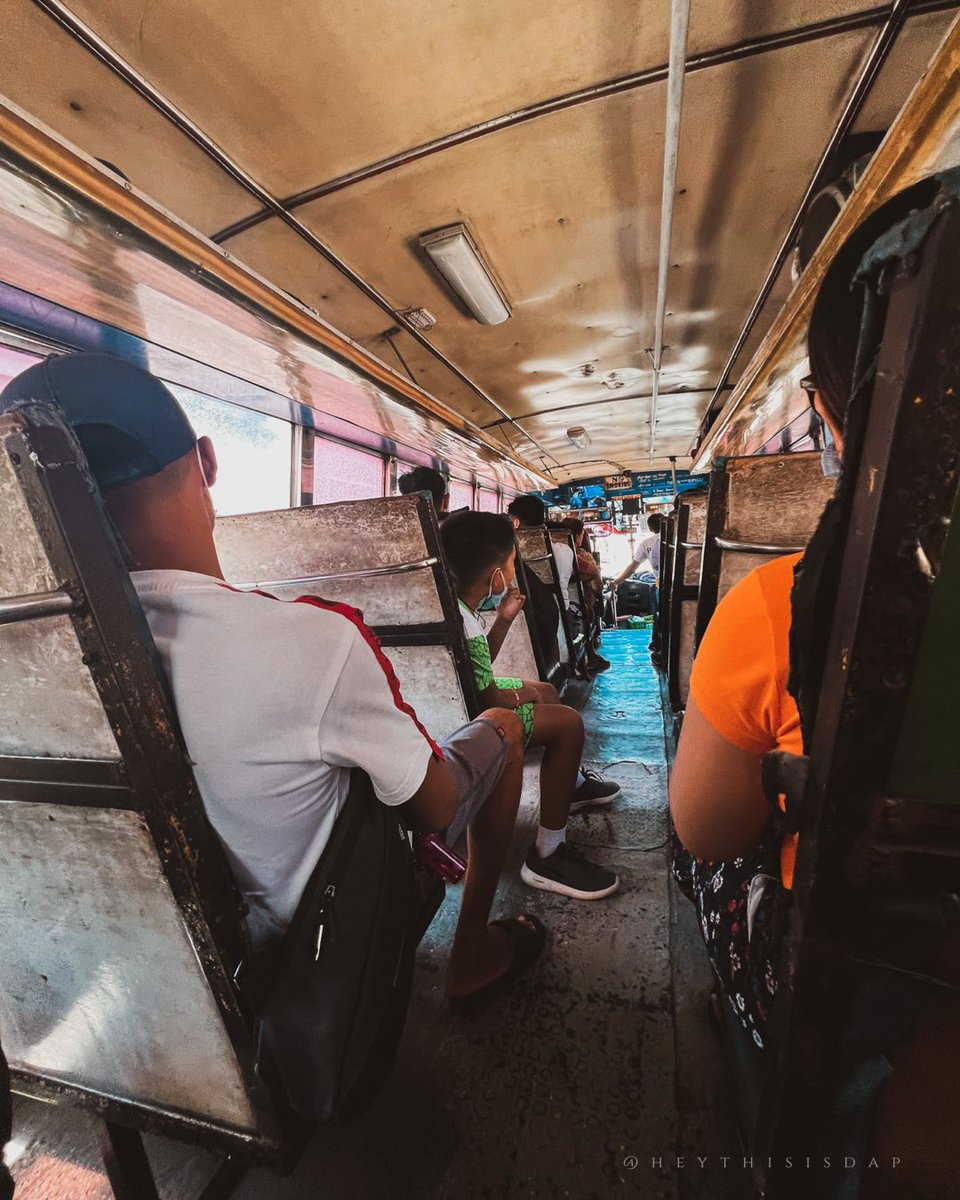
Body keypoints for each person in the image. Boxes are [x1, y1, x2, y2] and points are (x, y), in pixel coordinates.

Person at [0, 352, 545, 1014]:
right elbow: (432, 808)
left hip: (132, 973)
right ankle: (472, 957)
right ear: (207, 461)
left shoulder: (28, 658)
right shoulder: (311, 640)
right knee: (502, 729)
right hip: (310, 954)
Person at [668, 179, 939, 1049]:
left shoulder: (782, 605)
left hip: (869, 978)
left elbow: (706, 831)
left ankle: (749, 1028)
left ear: (828, 416)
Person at [441, 510, 621, 901]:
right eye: (510, 563)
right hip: (478, 717)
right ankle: (548, 852)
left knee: (546, 690)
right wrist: (522, 697)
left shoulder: (457, 608)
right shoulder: (465, 620)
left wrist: (504, 620)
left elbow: (479, 668)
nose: (512, 569)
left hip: (464, 701)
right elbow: (486, 697)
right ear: (497, 578)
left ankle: (569, 788)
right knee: (568, 723)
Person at [609, 512, 664, 660]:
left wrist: (616, 582)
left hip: (662, 585)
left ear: (651, 528)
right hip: (681, 583)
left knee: (659, 615)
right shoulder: (677, 537)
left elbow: (632, 568)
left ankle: (658, 645)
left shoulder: (647, 543)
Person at [562, 517, 610, 673]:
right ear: (578, 536)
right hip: (579, 607)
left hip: (557, 607)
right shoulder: (582, 557)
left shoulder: (552, 553)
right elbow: (597, 586)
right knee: (590, 607)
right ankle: (590, 654)